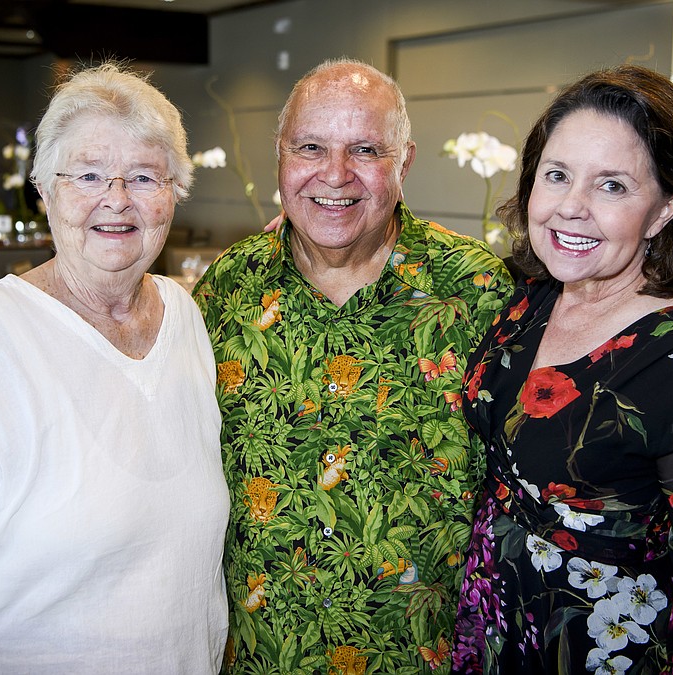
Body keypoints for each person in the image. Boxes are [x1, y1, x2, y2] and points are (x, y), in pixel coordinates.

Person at [194, 58, 513, 673]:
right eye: (310, 147)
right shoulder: (229, 288)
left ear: (404, 163)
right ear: (280, 157)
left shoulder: (475, 290)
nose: (335, 174)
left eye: (365, 150)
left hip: (421, 658)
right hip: (261, 657)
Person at [0, 62, 229, 673]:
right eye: (88, 175)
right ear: (45, 190)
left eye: (145, 176)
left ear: (174, 194)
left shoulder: (186, 316)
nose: (117, 199)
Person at [451, 64, 673, 674]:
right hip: (495, 625)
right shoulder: (536, 294)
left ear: (666, 209)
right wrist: (317, 235)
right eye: (557, 175)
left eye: (612, 186)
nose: (571, 208)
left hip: (601, 646)